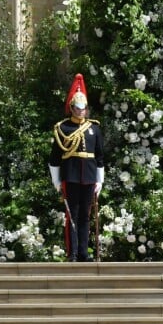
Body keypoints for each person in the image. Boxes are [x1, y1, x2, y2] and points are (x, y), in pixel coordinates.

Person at [49, 74, 105, 262]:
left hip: (89, 177)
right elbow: (55, 158)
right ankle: (72, 253)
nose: (81, 111)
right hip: (71, 176)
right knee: (72, 215)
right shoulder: (63, 128)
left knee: (85, 216)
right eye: (78, 108)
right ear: (72, 108)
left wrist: (100, 180)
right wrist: (56, 180)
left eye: (84, 108)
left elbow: (99, 156)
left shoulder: (94, 128)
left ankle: (83, 252)